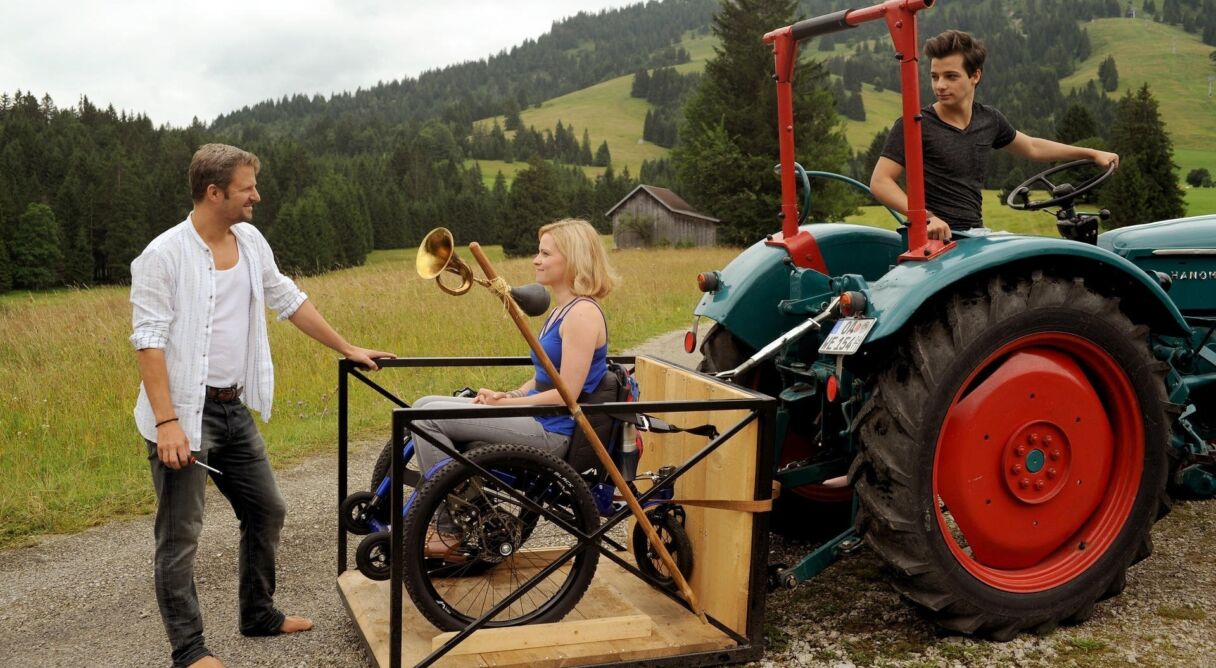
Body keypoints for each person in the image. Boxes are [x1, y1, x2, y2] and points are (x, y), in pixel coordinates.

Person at [130, 143, 393, 668]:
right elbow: (148, 342)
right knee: (180, 536)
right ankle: (189, 651)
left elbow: (287, 298)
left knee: (267, 508)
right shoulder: (163, 256)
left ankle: (258, 614)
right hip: (183, 415)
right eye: (247, 188)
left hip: (233, 408)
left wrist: (347, 347)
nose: (257, 196)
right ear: (214, 192)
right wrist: (167, 423)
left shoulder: (249, 241)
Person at [406, 218, 620, 558]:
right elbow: (543, 378)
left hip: (553, 431)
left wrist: (508, 407)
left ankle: (450, 526)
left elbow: (568, 393)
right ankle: (468, 503)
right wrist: (508, 396)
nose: (536, 260)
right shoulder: (561, 310)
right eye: (539, 252)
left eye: (545, 254)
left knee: (427, 419)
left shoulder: (583, 315)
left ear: (573, 260)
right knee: (422, 405)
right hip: (538, 418)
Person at [870, 29, 1120, 240]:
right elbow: (881, 182)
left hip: (974, 234)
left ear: (975, 76)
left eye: (950, 76)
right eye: (935, 77)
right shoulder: (916, 124)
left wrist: (1091, 154)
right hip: (933, 239)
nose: (940, 85)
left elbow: (1032, 146)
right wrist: (926, 218)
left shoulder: (988, 119)